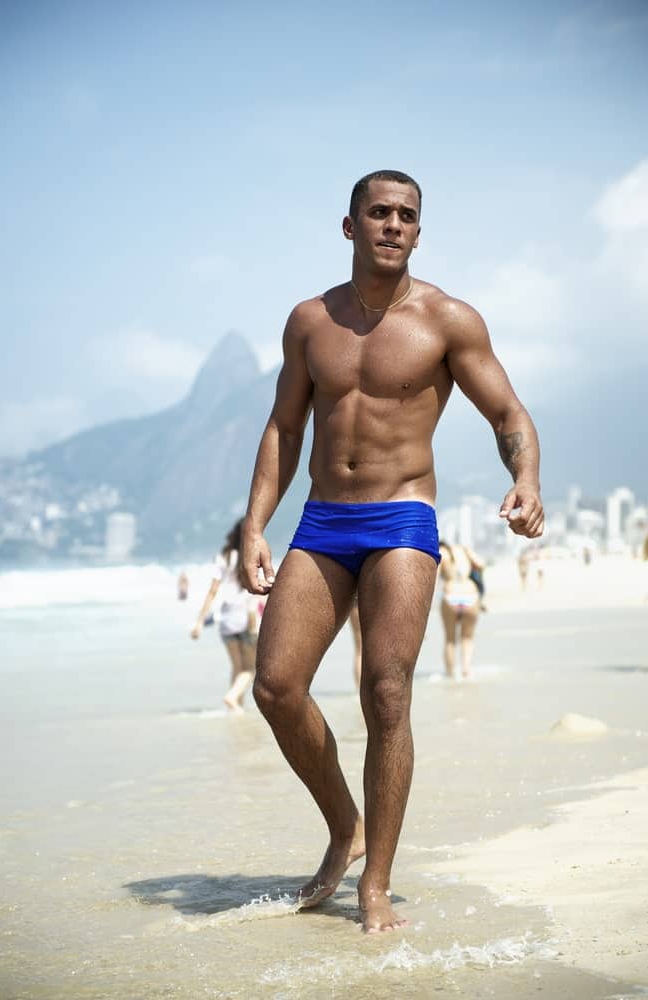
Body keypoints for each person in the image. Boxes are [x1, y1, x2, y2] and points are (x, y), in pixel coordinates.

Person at [239, 169, 543, 933]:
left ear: (418, 229)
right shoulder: (310, 322)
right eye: (378, 213)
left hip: (402, 518)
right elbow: (284, 428)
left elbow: (507, 411)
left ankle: (374, 884)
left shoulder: (447, 320)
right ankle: (344, 825)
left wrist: (526, 478)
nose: (393, 225)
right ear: (349, 226)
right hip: (322, 522)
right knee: (275, 687)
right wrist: (252, 527)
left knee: (387, 691)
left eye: (406, 215)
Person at [191, 520, 258, 714]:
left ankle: (237, 707)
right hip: (245, 618)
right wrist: (253, 625)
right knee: (250, 670)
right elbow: (253, 596)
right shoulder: (251, 558)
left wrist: (199, 622)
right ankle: (231, 697)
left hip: (225, 621)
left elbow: (212, 591)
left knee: (237, 667)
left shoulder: (223, 558)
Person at [438, 541, 484, 679]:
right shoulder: (464, 549)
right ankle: (466, 671)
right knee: (467, 638)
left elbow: (434, 575)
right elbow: (481, 564)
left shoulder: (441, 552)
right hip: (470, 595)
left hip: (451, 595)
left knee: (450, 640)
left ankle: (450, 675)